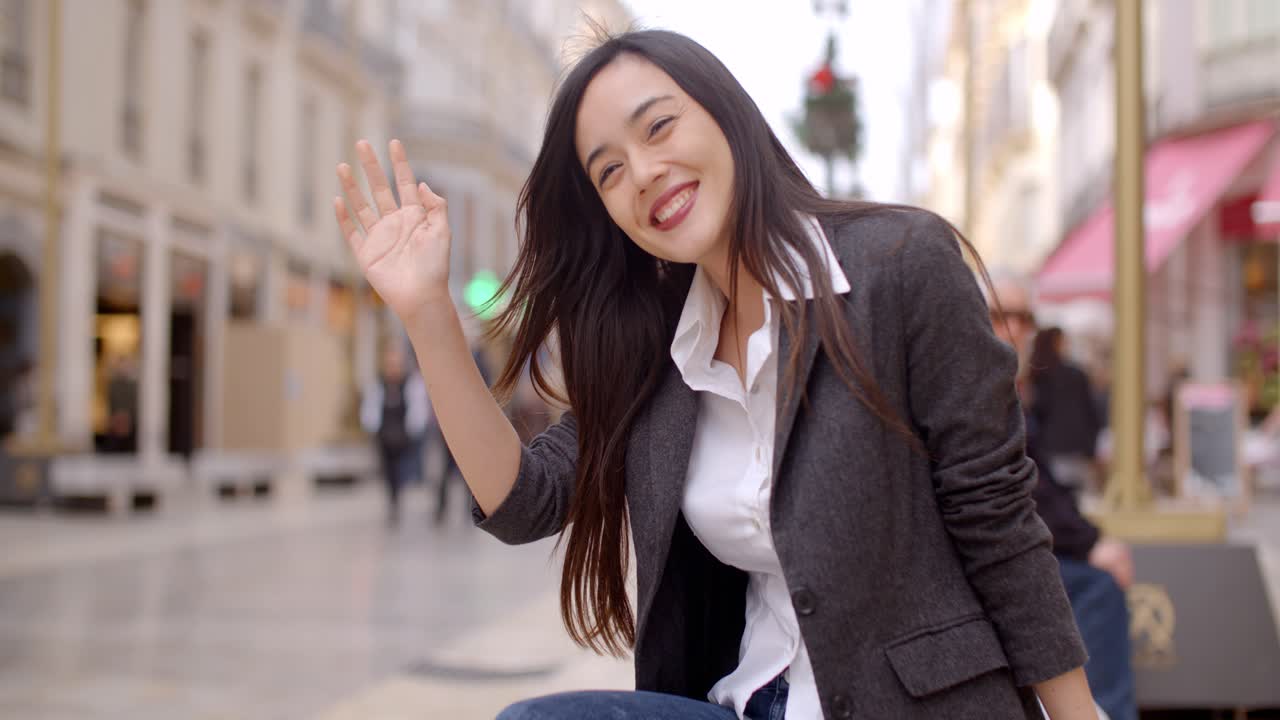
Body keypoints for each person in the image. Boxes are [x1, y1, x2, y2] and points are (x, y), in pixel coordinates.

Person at [334, 29, 1098, 719]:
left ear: (726, 114)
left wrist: (1078, 716)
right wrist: (428, 313)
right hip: (746, 703)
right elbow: (522, 499)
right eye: (609, 172)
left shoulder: (900, 267)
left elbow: (996, 517)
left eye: (659, 126)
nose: (643, 172)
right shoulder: (661, 357)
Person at [989, 278, 1138, 720]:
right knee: (1097, 588)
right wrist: (1091, 545)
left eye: (1024, 317)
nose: (1014, 328)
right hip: (984, 559)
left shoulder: (1012, 383)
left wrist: (1089, 538)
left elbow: (1039, 482)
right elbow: (1017, 491)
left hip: (1000, 546)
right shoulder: (978, 382)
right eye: (1000, 315)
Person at [1028, 327, 1106, 495]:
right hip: (1078, 450)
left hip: (1051, 450)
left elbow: (1039, 410)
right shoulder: (1077, 374)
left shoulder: (1040, 375)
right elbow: (1093, 413)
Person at [360, 342, 429, 525]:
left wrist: (412, 430)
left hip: (403, 437)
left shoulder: (410, 384)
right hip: (385, 436)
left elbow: (417, 410)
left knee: (400, 471)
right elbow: (370, 410)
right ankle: (393, 500)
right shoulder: (379, 385)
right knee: (389, 472)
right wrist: (373, 429)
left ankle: (398, 497)